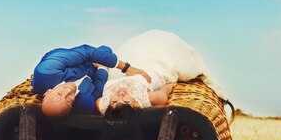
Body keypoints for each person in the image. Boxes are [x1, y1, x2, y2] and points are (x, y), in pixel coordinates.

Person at [97, 30, 227, 114]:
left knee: (131, 51)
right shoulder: (144, 98)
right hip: (148, 71)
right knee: (162, 49)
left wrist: (101, 68)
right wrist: (170, 85)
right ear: (135, 104)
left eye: (114, 101)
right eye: (125, 101)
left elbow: (97, 99)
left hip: (126, 69)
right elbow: (163, 95)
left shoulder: (103, 104)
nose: (120, 94)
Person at [32, 44, 151, 117]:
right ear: (71, 108)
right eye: (68, 101)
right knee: (105, 51)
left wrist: (125, 68)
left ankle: (100, 57)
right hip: (91, 70)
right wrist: (102, 67)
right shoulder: (85, 103)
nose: (67, 92)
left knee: (105, 50)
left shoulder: (45, 71)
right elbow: (99, 88)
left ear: (48, 92)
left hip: (73, 60)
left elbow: (86, 51)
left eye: (59, 93)